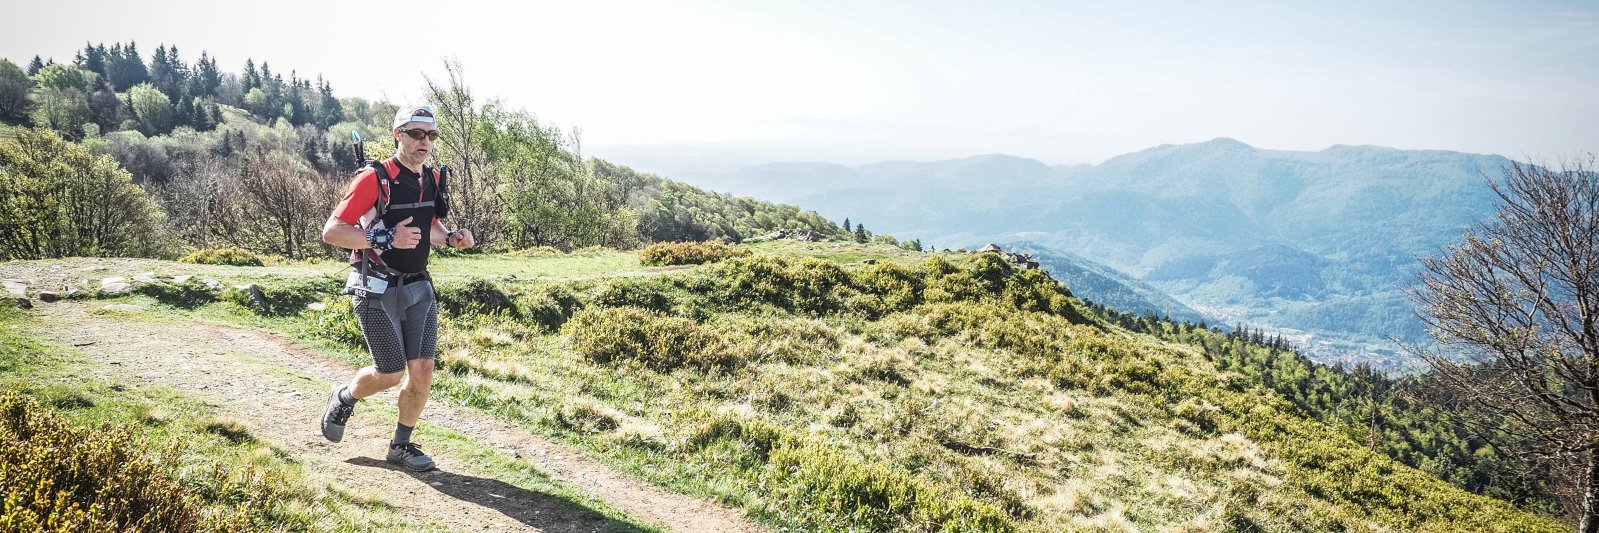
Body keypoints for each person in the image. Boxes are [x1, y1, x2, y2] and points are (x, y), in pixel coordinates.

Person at [319, 104, 474, 472]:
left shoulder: (432, 179)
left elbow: (431, 227)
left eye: (431, 135)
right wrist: (387, 236)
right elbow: (332, 231)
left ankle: (400, 446)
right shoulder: (374, 178)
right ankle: (345, 395)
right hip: (375, 286)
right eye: (416, 133)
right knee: (389, 373)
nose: (425, 142)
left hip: (418, 285)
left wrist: (451, 238)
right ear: (398, 134)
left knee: (422, 369)